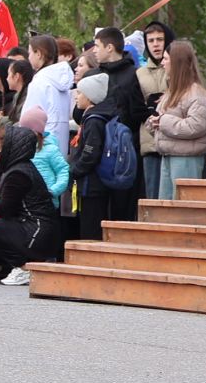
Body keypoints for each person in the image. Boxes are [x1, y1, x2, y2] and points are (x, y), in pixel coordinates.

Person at [0, 124, 62, 286]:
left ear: (9, 151)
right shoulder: (18, 169)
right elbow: (10, 199)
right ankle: (17, 266)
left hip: (38, 232)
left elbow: (3, 210)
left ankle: (24, 268)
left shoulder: (19, 173)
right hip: (32, 228)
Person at [90, 28, 148, 221]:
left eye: (97, 46)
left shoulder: (132, 75)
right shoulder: (93, 75)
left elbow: (137, 112)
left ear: (109, 47)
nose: (93, 51)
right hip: (95, 149)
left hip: (121, 152)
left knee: (122, 208)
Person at [151, 40, 206, 198]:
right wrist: (153, 122)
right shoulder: (171, 93)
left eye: (166, 59)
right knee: (166, 210)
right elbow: (164, 119)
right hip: (168, 157)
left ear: (176, 63)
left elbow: (195, 126)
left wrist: (163, 121)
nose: (162, 63)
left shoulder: (197, 94)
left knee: (183, 207)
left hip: (187, 159)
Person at [68, 70, 129, 237]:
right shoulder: (95, 117)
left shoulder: (94, 121)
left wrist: (74, 171)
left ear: (90, 97)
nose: (76, 96)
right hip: (93, 183)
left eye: (80, 93)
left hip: (92, 185)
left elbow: (90, 153)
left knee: (91, 228)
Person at [135, 21, 169, 202]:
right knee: (152, 196)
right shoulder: (140, 73)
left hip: (173, 140)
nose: (156, 44)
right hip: (149, 140)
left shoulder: (174, 68)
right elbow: (135, 106)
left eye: (160, 39)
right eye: (151, 40)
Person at [26, 33, 75, 156]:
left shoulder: (40, 81)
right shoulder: (60, 80)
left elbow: (29, 119)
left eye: (30, 52)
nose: (28, 57)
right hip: (59, 144)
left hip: (41, 146)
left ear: (39, 54)